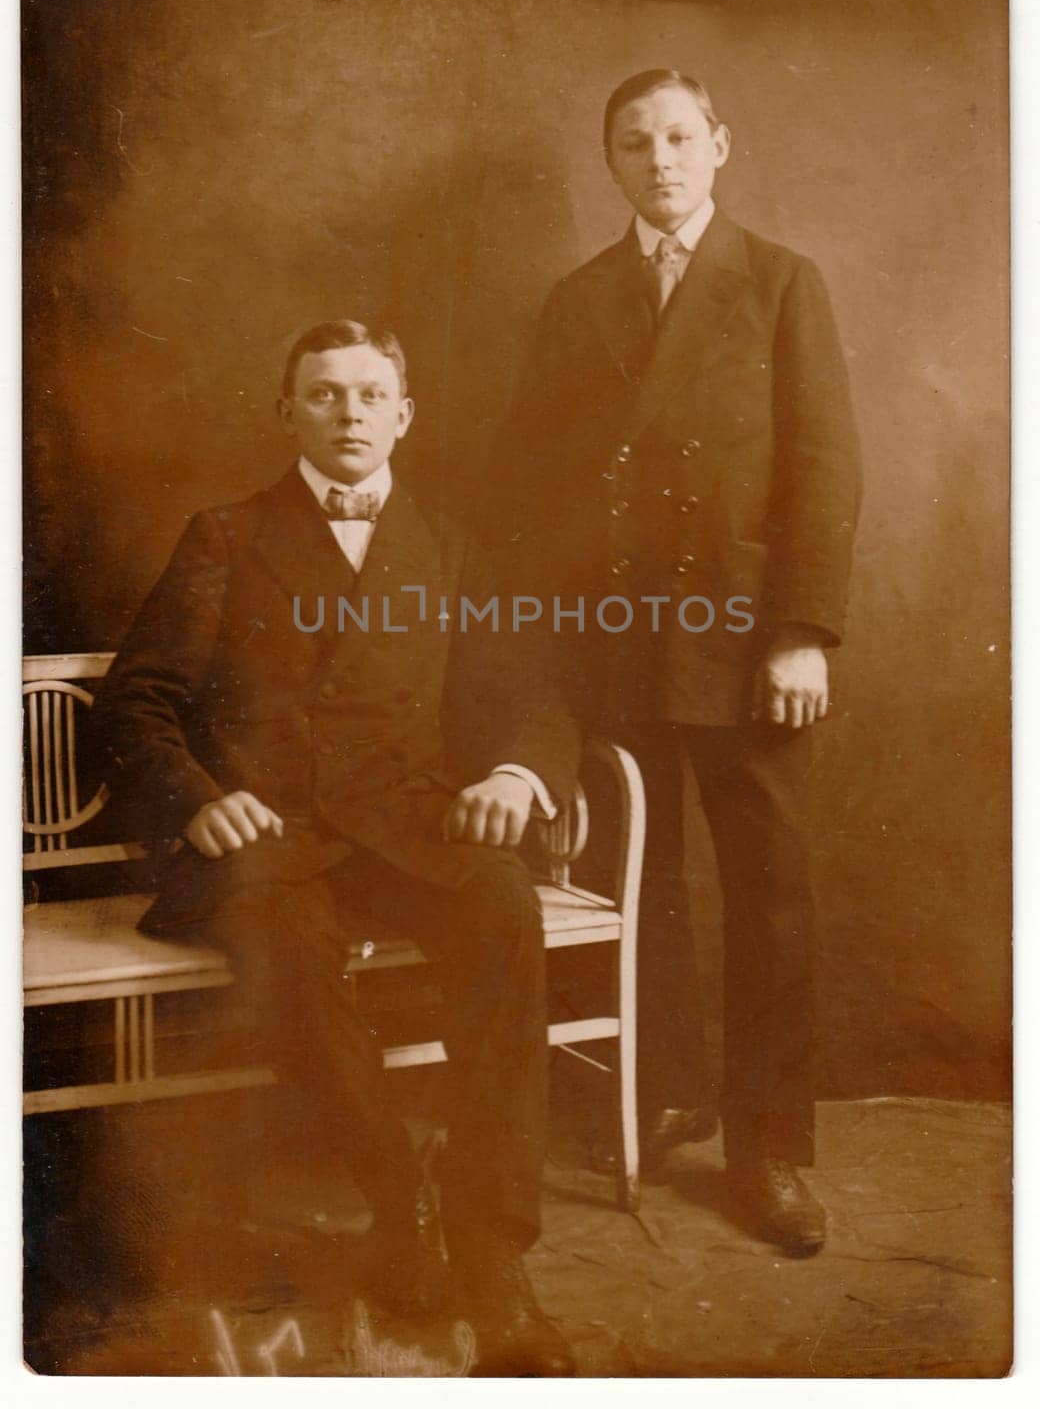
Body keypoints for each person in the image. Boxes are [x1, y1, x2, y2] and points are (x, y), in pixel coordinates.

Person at [92, 319, 581, 1374]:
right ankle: (397, 1204)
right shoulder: (225, 534)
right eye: (323, 394)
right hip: (269, 831)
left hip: (402, 821)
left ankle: (494, 1258)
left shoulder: (449, 542)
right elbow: (137, 702)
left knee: (503, 907)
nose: (348, 413)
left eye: (369, 395)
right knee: (289, 948)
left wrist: (514, 775)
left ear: (403, 415)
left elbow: (533, 696)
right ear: (288, 413)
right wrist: (196, 798)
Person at [488, 69, 862, 1257]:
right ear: (609, 163)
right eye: (632, 142)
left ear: (719, 145)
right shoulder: (577, 297)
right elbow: (536, 485)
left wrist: (801, 629)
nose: (658, 159)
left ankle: (769, 1150)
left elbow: (823, 464)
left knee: (767, 898)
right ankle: (667, 1091)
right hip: (617, 639)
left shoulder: (777, 281)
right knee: (638, 891)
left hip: (748, 645)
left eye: (677, 137)